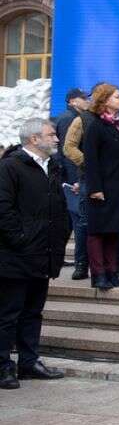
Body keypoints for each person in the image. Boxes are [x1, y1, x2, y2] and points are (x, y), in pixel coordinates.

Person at [0, 119, 70, 389]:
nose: (56, 139)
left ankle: (29, 362)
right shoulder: (10, 167)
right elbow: (4, 209)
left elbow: (57, 207)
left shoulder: (52, 166)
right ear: (34, 139)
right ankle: (3, 366)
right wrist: (20, 239)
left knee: (33, 312)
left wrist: (61, 235)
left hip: (43, 253)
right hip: (15, 256)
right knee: (8, 314)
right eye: (51, 135)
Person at [64, 83, 119, 279]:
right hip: (91, 178)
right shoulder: (83, 120)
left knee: (116, 223)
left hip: (116, 179)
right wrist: (91, 164)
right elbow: (69, 147)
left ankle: (115, 265)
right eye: (117, 96)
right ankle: (82, 264)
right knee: (87, 223)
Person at [81, 84, 119, 291]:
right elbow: (91, 160)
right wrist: (95, 188)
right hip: (103, 187)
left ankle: (112, 272)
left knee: (114, 230)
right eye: (117, 96)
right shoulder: (95, 126)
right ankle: (99, 274)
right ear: (105, 100)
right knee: (98, 231)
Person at [54, 87, 89, 280]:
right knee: (79, 222)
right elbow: (68, 152)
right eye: (83, 98)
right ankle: (80, 263)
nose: (87, 101)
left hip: (70, 178)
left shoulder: (71, 117)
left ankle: (59, 257)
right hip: (72, 180)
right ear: (72, 101)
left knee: (69, 222)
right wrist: (75, 179)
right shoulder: (70, 119)